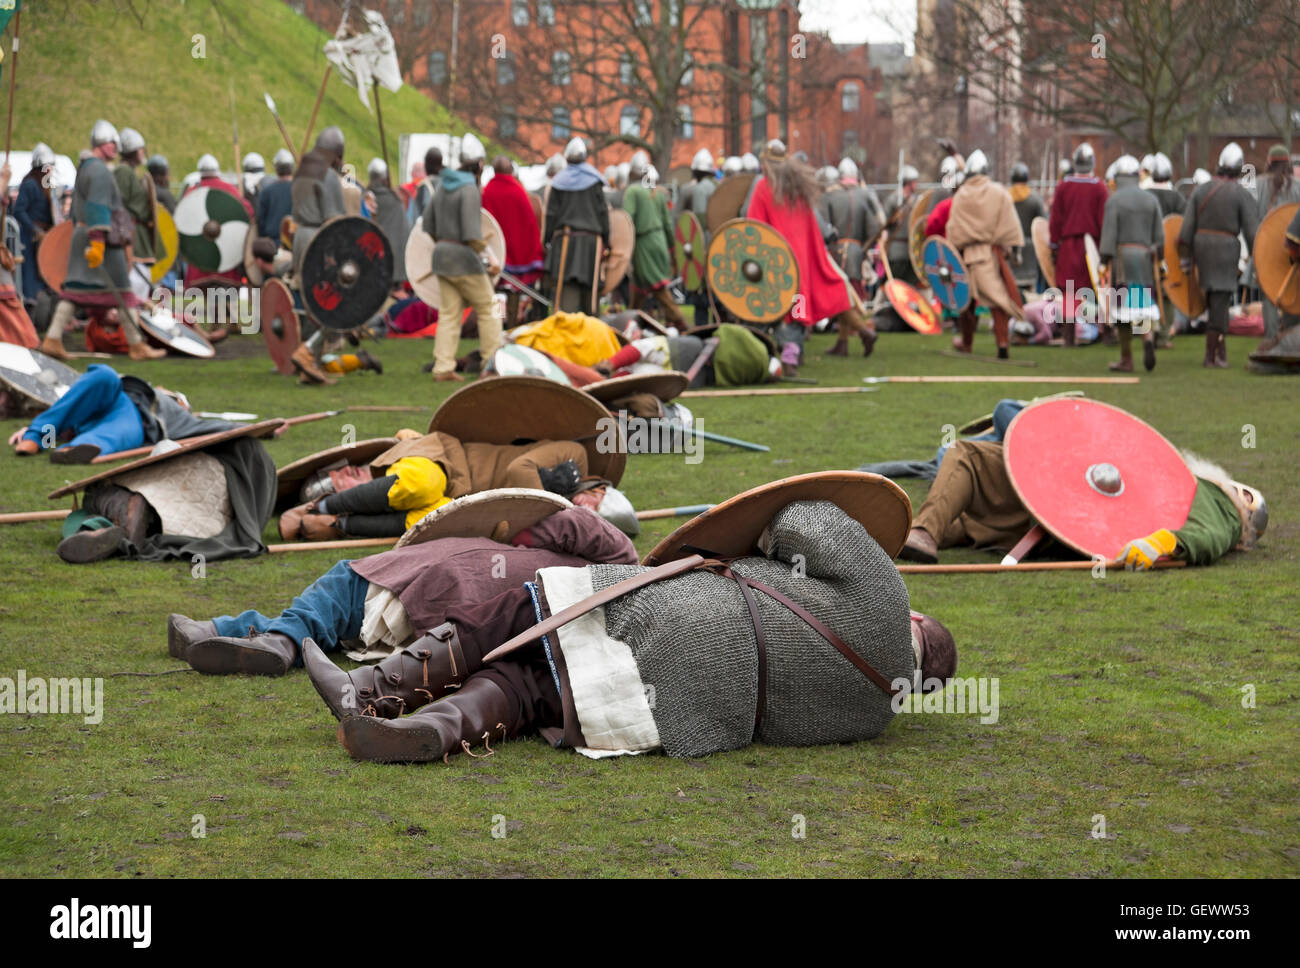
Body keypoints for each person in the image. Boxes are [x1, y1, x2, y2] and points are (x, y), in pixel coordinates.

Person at [297, 494, 959, 764]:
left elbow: (805, 521)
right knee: (536, 690)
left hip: (700, 614)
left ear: (917, 624)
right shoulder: (875, 717)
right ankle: (424, 732)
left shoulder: (885, 598)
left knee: (524, 611)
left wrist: (759, 540)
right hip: (695, 715)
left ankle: (371, 685)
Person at [166, 503, 638, 677]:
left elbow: (581, 526)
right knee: (343, 619)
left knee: (347, 581)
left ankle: (277, 640)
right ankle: (233, 631)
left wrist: (526, 533)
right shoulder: (586, 586)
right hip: (455, 621)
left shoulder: (609, 561)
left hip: (451, 583)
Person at [899, 409, 1267, 572]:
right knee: (965, 476)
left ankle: (919, 533)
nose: (1239, 490)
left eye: (1248, 497)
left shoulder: (1223, 507)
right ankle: (900, 536)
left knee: (967, 457)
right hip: (1047, 499)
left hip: (1063, 525)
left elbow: (1211, 534)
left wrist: (1164, 543)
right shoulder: (1174, 475)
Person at [279, 427, 596, 542]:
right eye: (339, 487)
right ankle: (334, 518)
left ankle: (327, 513)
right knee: (432, 517)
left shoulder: (575, 454)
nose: (349, 478)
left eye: (343, 475)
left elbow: (519, 470)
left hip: (445, 460)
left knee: (421, 490)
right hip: (463, 495)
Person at [40, 121, 166, 363]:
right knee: (124, 291)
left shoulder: (86, 167)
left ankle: (52, 339)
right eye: (111, 143)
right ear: (101, 144)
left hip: (83, 237)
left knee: (75, 292)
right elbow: (97, 206)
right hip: (101, 241)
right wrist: (98, 242)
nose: (115, 147)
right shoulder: (97, 170)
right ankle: (137, 345)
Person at [745, 140, 875, 372]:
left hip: (774, 260)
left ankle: (786, 357)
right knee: (797, 306)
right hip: (801, 262)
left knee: (774, 308)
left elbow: (755, 228)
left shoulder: (764, 187)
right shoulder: (799, 189)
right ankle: (795, 354)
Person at [8, 363, 244, 463]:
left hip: (132, 417)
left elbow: (220, 429)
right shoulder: (144, 388)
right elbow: (71, 403)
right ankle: (34, 436)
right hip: (114, 395)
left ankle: (75, 449)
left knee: (119, 432)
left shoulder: (183, 419)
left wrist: (269, 428)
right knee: (105, 374)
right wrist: (29, 427)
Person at [423, 133, 502, 383]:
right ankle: (491, 364)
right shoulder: (467, 188)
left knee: (449, 314)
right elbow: (471, 233)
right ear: (478, 164)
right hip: (463, 258)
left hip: (441, 257)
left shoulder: (442, 185)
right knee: (489, 308)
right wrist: (488, 256)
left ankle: (443, 366)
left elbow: (428, 225)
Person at [1178, 142, 1258, 368]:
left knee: (1215, 302)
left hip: (1201, 249)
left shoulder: (1201, 190)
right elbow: (1252, 232)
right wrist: (1256, 257)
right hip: (1225, 250)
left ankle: (1220, 354)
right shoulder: (1241, 194)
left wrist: (1185, 258)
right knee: (1220, 303)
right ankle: (1210, 356)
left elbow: (1185, 231)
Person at [945, 149, 1024, 358]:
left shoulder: (961, 194)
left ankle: (970, 343)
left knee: (970, 303)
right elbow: (1010, 224)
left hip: (967, 255)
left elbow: (953, 230)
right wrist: (1012, 249)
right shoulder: (998, 192)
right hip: (991, 253)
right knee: (996, 301)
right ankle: (1001, 343)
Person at [1099, 154, 1164, 372]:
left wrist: (1103, 259)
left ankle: (1127, 359)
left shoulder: (1114, 200)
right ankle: (1147, 339)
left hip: (1122, 261)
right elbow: (1160, 237)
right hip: (1144, 259)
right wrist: (1158, 257)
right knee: (1142, 306)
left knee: (1123, 312)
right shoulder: (1150, 199)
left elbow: (1108, 235)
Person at [182, 153, 254, 343]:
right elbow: (248, 212)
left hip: (202, 248)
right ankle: (228, 320)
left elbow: (183, 218)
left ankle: (220, 322)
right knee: (224, 286)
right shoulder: (230, 189)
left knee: (209, 287)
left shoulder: (192, 191)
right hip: (225, 247)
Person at [1049, 143, 1109, 344]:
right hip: (1093, 246)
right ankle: (1105, 333)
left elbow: (1055, 220)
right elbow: (1103, 220)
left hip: (1069, 246)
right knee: (1100, 290)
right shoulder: (1099, 187)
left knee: (1070, 291)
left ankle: (1069, 338)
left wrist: (1053, 245)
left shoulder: (1064, 186)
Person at [544, 137, 609, 314]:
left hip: (567, 241)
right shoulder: (595, 180)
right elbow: (603, 213)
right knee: (588, 293)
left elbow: (550, 215)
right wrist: (606, 240)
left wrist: (547, 241)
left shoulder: (559, 181)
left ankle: (573, 328)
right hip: (590, 243)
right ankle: (584, 327)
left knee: (568, 291)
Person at [623, 151, 685, 327]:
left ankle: (679, 321)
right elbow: (667, 223)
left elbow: (627, 221)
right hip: (660, 242)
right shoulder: (658, 192)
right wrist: (672, 248)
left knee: (658, 288)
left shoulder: (633, 191)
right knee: (639, 287)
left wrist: (625, 247)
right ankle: (632, 322)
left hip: (644, 244)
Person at [481, 155, 545, 326]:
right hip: (516, 253)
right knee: (514, 289)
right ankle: (512, 322)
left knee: (495, 289)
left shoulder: (488, 191)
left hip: (494, 252)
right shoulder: (518, 191)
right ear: (510, 170)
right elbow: (530, 225)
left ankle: (497, 323)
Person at [1253, 144, 1300, 344]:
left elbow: (1252, 217)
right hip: (1294, 246)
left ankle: (1271, 339)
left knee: (1269, 294)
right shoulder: (1298, 186)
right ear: (1288, 164)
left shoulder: (1256, 185)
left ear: (1269, 163)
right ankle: (1290, 337)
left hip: (1266, 247)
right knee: (1293, 290)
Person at [112, 127, 159, 299]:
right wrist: (125, 238)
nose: (142, 153)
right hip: (131, 233)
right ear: (133, 151)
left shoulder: (129, 172)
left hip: (138, 233)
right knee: (135, 281)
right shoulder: (123, 172)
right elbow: (119, 206)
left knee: (141, 281)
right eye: (140, 149)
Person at [1144, 152, 1183, 347]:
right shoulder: (1176, 198)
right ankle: (1164, 335)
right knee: (1167, 294)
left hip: (1147, 249)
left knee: (1148, 291)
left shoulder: (1145, 195)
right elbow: (1182, 225)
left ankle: (1149, 332)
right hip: (1168, 252)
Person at [13, 144, 57, 312]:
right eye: (47, 167)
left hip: (44, 236)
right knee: (31, 276)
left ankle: (43, 312)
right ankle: (30, 312)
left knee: (45, 272)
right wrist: (34, 229)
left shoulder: (46, 185)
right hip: (30, 238)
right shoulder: (30, 184)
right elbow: (19, 210)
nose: (50, 170)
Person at [365, 158, 407, 287]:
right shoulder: (395, 201)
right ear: (385, 178)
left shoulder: (364, 198)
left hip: (371, 263)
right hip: (390, 265)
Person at [1008, 162, 1047, 294]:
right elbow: (1044, 222)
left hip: (1011, 248)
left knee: (1012, 289)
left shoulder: (1006, 198)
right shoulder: (1034, 199)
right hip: (1031, 248)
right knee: (1031, 291)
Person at [883, 164, 921, 285]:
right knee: (896, 285)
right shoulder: (893, 200)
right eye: (915, 182)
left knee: (911, 288)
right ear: (908, 183)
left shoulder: (917, 201)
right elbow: (883, 226)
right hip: (896, 251)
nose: (917, 184)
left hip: (912, 251)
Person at [255, 148, 294, 241]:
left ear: (276, 168)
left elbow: (260, 221)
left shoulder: (266, 191)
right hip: (293, 241)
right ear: (292, 167)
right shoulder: (300, 190)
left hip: (271, 243)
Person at [405, 146, 443, 224]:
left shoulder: (420, 188)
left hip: (426, 233)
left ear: (426, 166)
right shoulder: (450, 187)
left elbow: (412, 219)